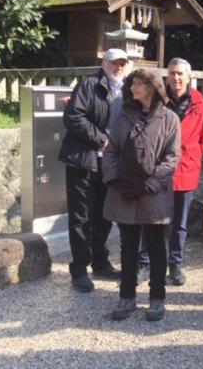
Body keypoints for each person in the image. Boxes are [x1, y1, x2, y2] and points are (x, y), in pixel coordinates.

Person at [102, 69, 181, 321]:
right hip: (124, 190)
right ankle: (127, 298)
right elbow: (111, 150)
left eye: (138, 83)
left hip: (153, 193)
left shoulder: (169, 119)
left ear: (152, 87)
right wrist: (114, 179)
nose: (133, 87)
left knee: (156, 246)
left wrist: (150, 184)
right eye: (132, 83)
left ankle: (157, 298)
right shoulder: (123, 117)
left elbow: (172, 157)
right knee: (127, 247)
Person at [138, 57, 203, 285]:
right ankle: (145, 263)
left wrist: (190, 155)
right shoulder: (156, 101)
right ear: (166, 76)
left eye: (180, 74)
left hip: (186, 168)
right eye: (172, 73)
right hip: (158, 170)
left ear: (189, 77)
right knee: (150, 218)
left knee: (180, 223)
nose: (176, 78)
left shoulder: (200, 104)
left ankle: (175, 263)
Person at [58, 48, 128, 293]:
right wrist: (100, 139)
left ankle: (100, 261)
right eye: (114, 62)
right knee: (80, 218)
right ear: (104, 62)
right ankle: (79, 269)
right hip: (83, 160)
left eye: (122, 63)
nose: (118, 67)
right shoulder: (89, 84)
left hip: (108, 164)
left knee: (104, 215)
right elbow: (73, 117)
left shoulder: (127, 90)